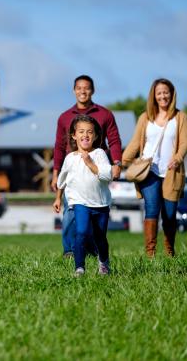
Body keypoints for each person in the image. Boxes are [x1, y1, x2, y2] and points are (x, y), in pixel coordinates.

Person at [51, 75, 123, 258]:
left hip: (96, 170)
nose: (83, 91)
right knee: (71, 209)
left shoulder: (105, 114)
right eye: (79, 88)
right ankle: (69, 250)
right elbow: (59, 147)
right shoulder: (64, 118)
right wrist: (55, 172)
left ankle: (91, 248)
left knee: (94, 211)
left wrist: (117, 163)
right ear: (74, 90)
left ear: (93, 90)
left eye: (87, 88)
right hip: (73, 168)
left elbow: (114, 141)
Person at [122, 78, 187, 257]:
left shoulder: (180, 117)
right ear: (154, 95)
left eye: (166, 92)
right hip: (149, 171)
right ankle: (150, 253)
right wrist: (121, 161)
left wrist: (178, 157)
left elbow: (184, 142)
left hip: (171, 172)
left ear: (172, 94)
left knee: (169, 213)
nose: (163, 96)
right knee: (152, 207)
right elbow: (136, 142)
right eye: (159, 93)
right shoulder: (145, 117)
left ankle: (169, 251)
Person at [53, 115, 112, 276]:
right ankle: (79, 268)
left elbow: (107, 176)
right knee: (81, 232)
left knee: (100, 237)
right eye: (81, 132)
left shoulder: (99, 154)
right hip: (79, 202)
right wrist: (58, 197)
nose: (85, 135)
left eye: (89, 132)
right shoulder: (70, 158)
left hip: (100, 204)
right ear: (74, 135)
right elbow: (62, 180)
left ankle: (104, 264)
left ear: (95, 136)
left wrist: (90, 163)